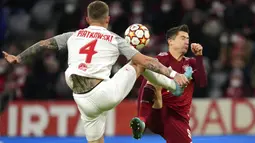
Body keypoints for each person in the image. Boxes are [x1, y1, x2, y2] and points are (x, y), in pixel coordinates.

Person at [2, 1, 191, 143]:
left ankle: (172, 86)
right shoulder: (114, 38)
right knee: (139, 63)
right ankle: (174, 86)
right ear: (108, 20)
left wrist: (18, 57)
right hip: (104, 93)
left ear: (87, 19)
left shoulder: (73, 35)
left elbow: (43, 44)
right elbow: (147, 62)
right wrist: (173, 74)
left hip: (81, 100)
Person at [130, 24, 207, 143]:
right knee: (153, 76)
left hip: (178, 116)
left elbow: (202, 82)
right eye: (182, 38)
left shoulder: (191, 63)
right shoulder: (160, 61)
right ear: (171, 41)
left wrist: (199, 57)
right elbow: (145, 86)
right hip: (159, 111)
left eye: (187, 38)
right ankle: (142, 120)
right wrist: (141, 116)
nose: (187, 41)